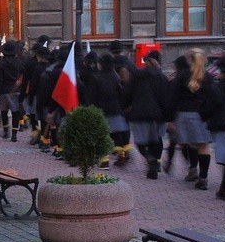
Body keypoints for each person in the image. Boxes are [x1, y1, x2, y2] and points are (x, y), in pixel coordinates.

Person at [171, 48, 215, 189]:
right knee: (203, 146)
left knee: (188, 143)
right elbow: (212, 97)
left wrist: (170, 118)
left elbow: (173, 97)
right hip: (201, 115)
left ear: (189, 60)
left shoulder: (183, 75)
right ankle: (203, 177)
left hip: (184, 114)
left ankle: (192, 168)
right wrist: (207, 115)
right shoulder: (208, 77)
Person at [123, 50, 170, 180]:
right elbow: (166, 97)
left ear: (147, 61)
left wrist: (125, 107)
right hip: (157, 114)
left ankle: (150, 159)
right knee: (156, 140)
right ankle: (155, 163)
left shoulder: (137, 75)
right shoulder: (161, 77)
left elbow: (127, 93)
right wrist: (168, 115)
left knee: (141, 142)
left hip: (139, 113)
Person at [87, 53, 128, 169]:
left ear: (101, 64)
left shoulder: (96, 77)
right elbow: (122, 94)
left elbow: (91, 97)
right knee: (117, 134)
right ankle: (121, 155)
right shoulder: (116, 77)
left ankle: (104, 161)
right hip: (116, 109)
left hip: (101, 110)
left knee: (102, 135)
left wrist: (91, 109)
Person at [201, 54, 225, 200]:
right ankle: (224, 188)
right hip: (223, 126)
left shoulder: (217, 89)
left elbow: (209, 108)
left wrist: (204, 118)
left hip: (223, 127)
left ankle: (224, 189)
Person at [0, 40, 23, 141]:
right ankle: (14, 134)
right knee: (15, 112)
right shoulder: (19, 62)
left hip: (4, 89)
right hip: (16, 89)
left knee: (4, 111)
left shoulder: (1, 63)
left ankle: (6, 131)